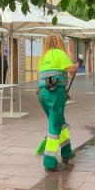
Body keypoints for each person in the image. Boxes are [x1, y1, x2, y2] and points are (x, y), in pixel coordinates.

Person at [38, 34, 79, 172]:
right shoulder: (60, 53)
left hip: (43, 94)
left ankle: (67, 151)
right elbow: (71, 70)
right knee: (55, 127)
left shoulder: (44, 57)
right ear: (60, 42)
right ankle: (49, 161)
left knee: (59, 122)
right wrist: (77, 64)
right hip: (56, 93)